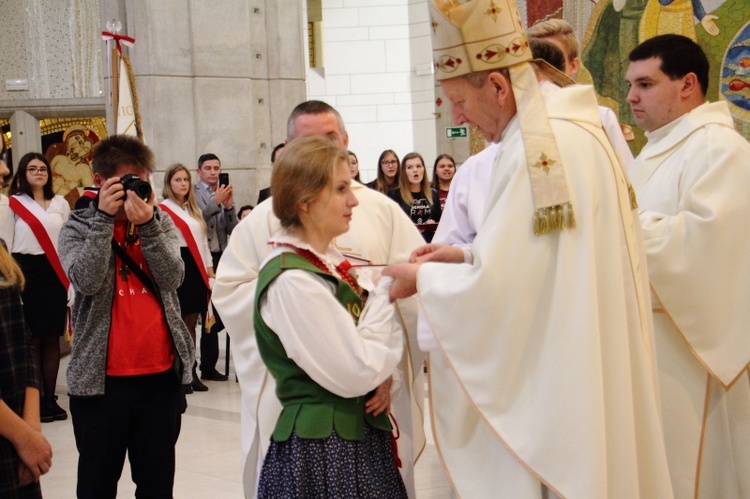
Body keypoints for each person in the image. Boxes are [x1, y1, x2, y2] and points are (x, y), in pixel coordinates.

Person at [384, 1, 674, 497]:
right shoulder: (568, 130)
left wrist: (423, 281)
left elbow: (507, 295)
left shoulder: (541, 149)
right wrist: (468, 257)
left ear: (498, 87)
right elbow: (547, 263)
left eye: (458, 100)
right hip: (580, 356)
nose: (457, 117)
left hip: (561, 379)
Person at [212, 100, 426, 498]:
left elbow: (409, 293)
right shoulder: (268, 236)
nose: (352, 201)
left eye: (329, 140)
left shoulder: (382, 210)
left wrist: (386, 369)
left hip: (364, 404)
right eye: (308, 143)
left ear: (345, 141)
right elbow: (239, 294)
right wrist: (312, 334)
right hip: (317, 419)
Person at [625, 34, 750, 498]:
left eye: (645, 83)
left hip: (694, 358)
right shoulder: (655, 150)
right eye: (630, 85)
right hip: (652, 350)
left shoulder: (720, 149)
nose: (631, 97)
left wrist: (620, 227)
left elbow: (710, 250)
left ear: (688, 84)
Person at [253, 136, 407, 497]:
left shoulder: (325, 263)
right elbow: (357, 369)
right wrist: (385, 291)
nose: (354, 199)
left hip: (350, 434)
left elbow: (362, 352)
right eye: (340, 189)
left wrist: (385, 377)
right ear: (306, 202)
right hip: (323, 446)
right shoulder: (293, 280)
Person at [58, 134, 194, 499]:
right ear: (100, 181)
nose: (135, 191)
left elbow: (172, 277)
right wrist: (103, 219)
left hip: (160, 380)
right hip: (101, 385)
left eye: (142, 181)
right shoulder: (76, 227)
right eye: (125, 181)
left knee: (156, 487)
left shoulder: (159, 221)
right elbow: (85, 280)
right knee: (96, 487)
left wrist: (148, 225)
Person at [0, 153, 70, 424]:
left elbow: (66, 242)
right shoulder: (13, 205)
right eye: (32, 169)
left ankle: (50, 398)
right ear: (22, 173)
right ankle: (35, 401)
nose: (39, 173)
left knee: (52, 338)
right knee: (32, 340)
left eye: (43, 169)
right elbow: (5, 245)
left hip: (54, 274)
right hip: (25, 274)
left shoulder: (60, 203)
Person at [0, 153, 53, 499]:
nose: (5, 170)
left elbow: (20, 346)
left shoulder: (2, 252)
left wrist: (31, 430)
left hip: (17, 437)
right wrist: (21, 435)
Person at [527, 18, 634, 167]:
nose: (542, 72)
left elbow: (626, 178)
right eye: (534, 63)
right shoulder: (516, 120)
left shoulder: (600, 119)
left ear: (573, 65)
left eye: (551, 62)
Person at [161, 164, 213, 393]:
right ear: (169, 183)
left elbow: (203, 242)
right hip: (177, 263)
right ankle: (178, 372)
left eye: (185, 180)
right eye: (177, 180)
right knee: (177, 322)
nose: (182, 184)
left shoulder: (193, 209)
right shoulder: (162, 209)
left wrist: (210, 269)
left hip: (196, 265)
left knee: (191, 321)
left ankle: (191, 371)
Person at [194, 153, 237, 382]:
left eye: (216, 168)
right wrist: (216, 202)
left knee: (217, 310)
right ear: (198, 171)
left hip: (221, 256)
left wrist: (229, 207)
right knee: (205, 310)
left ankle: (210, 366)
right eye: (208, 168)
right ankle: (202, 366)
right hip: (201, 256)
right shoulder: (193, 192)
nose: (213, 172)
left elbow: (234, 229)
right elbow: (196, 220)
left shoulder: (224, 191)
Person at [387, 152, 441, 242]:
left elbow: (440, 221)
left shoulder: (433, 194)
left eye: (418, 166)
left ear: (423, 169)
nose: (415, 170)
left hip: (429, 242)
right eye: (410, 167)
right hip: (405, 242)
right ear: (404, 172)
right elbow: (390, 224)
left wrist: (433, 223)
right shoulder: (394, 194)